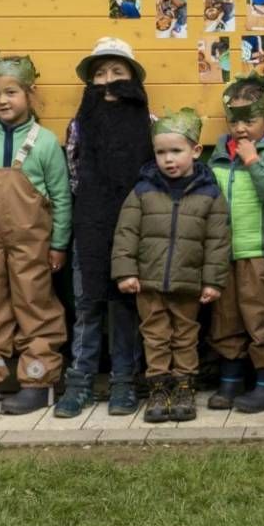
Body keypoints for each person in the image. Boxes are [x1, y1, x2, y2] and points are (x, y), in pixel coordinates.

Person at [0, 52, 72, 416]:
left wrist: (58, 244)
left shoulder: (46, 142)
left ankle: (37, 381)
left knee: (34, 305)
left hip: (32, 243)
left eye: (11, 92)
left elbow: (61, 196)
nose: (3, 101)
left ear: (29, 94)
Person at [56, 37, 153, 420]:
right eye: (100, 74)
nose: (108, 81)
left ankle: (124, 382)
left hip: (136, 228)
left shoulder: (150, 124)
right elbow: (74, 176)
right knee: (88, 304)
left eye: (117, 72)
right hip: (91, 225)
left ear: (132, 78)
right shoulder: (77, 125)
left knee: (126, 305)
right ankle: (78, 383)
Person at [112, 109, 228, 424]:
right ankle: (158, 389)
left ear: (195, 151)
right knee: (155, 335)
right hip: (147, 283)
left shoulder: (209, 193)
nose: (168, 159)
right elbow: (126, 233)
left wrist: (213, 282)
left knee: (185, 335)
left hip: (188, 283)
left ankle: (184, 387)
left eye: (176, 151)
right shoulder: (143, 189)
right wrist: (126, 272)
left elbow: (217, 241)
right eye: (161, 152)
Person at [204, 74, 264, 413]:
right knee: (225, 318)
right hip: (224, 254)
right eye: (235, 120)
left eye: (250, 120)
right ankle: (231, 380)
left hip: (259, 253)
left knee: (262, 318)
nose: (241, 128)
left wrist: (252, 160)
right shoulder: (216, 158)